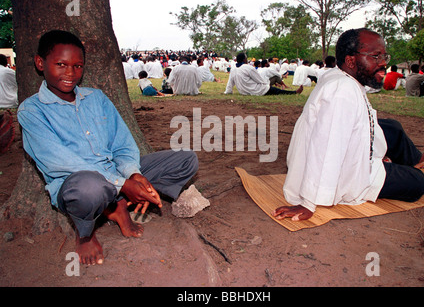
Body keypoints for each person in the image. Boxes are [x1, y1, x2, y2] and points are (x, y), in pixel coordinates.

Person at [17, 30, 199, 265]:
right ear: (40, 63)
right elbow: (61, 163)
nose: (70, 73)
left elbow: (122, 144)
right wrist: (123, 184)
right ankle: (85, 234)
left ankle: (118, 203)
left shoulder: (97, 98)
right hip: (77, 185)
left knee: (186, 159)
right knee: (90, 187)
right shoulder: (32, 111)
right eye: (61, 64)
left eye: (78, 66)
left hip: (117, 174)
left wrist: (134, 175)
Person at [273, 28, 424, 222]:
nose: (383, 63)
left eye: (384, 56)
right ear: (350, 61)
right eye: (375, 56)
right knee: (418, 182)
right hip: (347, 173)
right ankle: (391, 165)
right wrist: (308, 201)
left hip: (351, 143)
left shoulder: (341, 75)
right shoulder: (342, 91)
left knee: (393, 127)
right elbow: (327, 147)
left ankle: (414, 157)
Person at [224, 53, 303, 96]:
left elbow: (229, 85)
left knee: (273, 89)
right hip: (256, 90)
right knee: (276, 91)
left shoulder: (233, 70)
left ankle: (293, 92)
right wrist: (267, 85)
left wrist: (228, 92)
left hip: (243, 92)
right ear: (244, 59)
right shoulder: (248, 68)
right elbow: (259, 80)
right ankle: (294, 93)